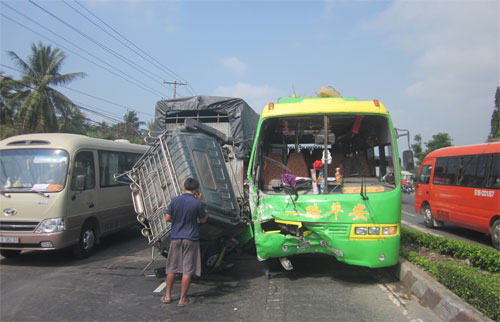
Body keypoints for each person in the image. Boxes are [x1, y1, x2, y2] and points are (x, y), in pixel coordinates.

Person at [162, 178, 208, 306]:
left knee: (171, 268)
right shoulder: (197, 203)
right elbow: (203, 220)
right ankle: (182, 299)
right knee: (187, 270)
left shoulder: (175, 200)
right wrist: (199, 201)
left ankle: (167, 296)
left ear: (184, 188)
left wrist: (177, 221)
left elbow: (167, 218)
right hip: (191, 239)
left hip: (176, 237)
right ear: (196, 190)